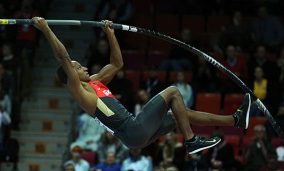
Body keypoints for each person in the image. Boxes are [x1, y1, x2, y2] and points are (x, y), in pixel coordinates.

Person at [32, 17, 252, 154]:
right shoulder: (80, 90)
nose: (85, 69)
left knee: (180, 114)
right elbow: (63, 57)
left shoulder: (95, 82)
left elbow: (117, 63)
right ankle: (192, 141)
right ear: (73, 75)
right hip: (132, 129)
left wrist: (110, 34)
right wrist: (45, 29)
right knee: (173, 91)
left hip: (134, 135)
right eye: (80, 69)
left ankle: (235, 120)